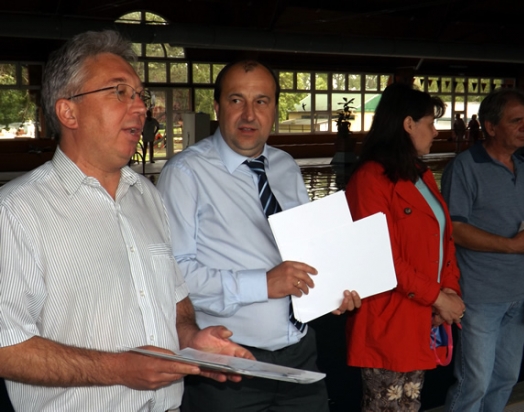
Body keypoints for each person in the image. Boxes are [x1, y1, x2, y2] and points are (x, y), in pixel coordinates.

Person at [0, 30, 252, 412]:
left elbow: (175, 301)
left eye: (140, 96)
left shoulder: (147, 196)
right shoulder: (17, 212)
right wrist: (119, 369)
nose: (140, 108)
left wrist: (190, 339)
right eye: (120, 92)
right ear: (68, 112)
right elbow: (6, 347)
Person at [157, 60, 361, 412]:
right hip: (229, 363)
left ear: (274, 110)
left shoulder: (285, 166)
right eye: (237, 100)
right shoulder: (186, 174)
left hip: (299, 355)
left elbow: (307, 252)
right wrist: (263, 284)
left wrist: (330, 289)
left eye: (261, 101)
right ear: (218, 107)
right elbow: (174, 277)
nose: (249, 114)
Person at [345, 82, 465, 412]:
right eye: (431, 122)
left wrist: (449, 291)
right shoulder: (370, 179)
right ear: (408, 124)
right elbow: (381, 258)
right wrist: (438, 298)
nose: (436, 132)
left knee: (410, 404)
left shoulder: (420, 174)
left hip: (422, 315)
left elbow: (444, 238)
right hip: (388, 319)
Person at [442, 88, 524, 412]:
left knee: (505, 378)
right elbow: (455, 229)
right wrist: (512, 245)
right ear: (490, 127)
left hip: (520, 293)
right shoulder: (464, 167)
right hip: (480, 296)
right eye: (515, 121)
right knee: (473, 383)